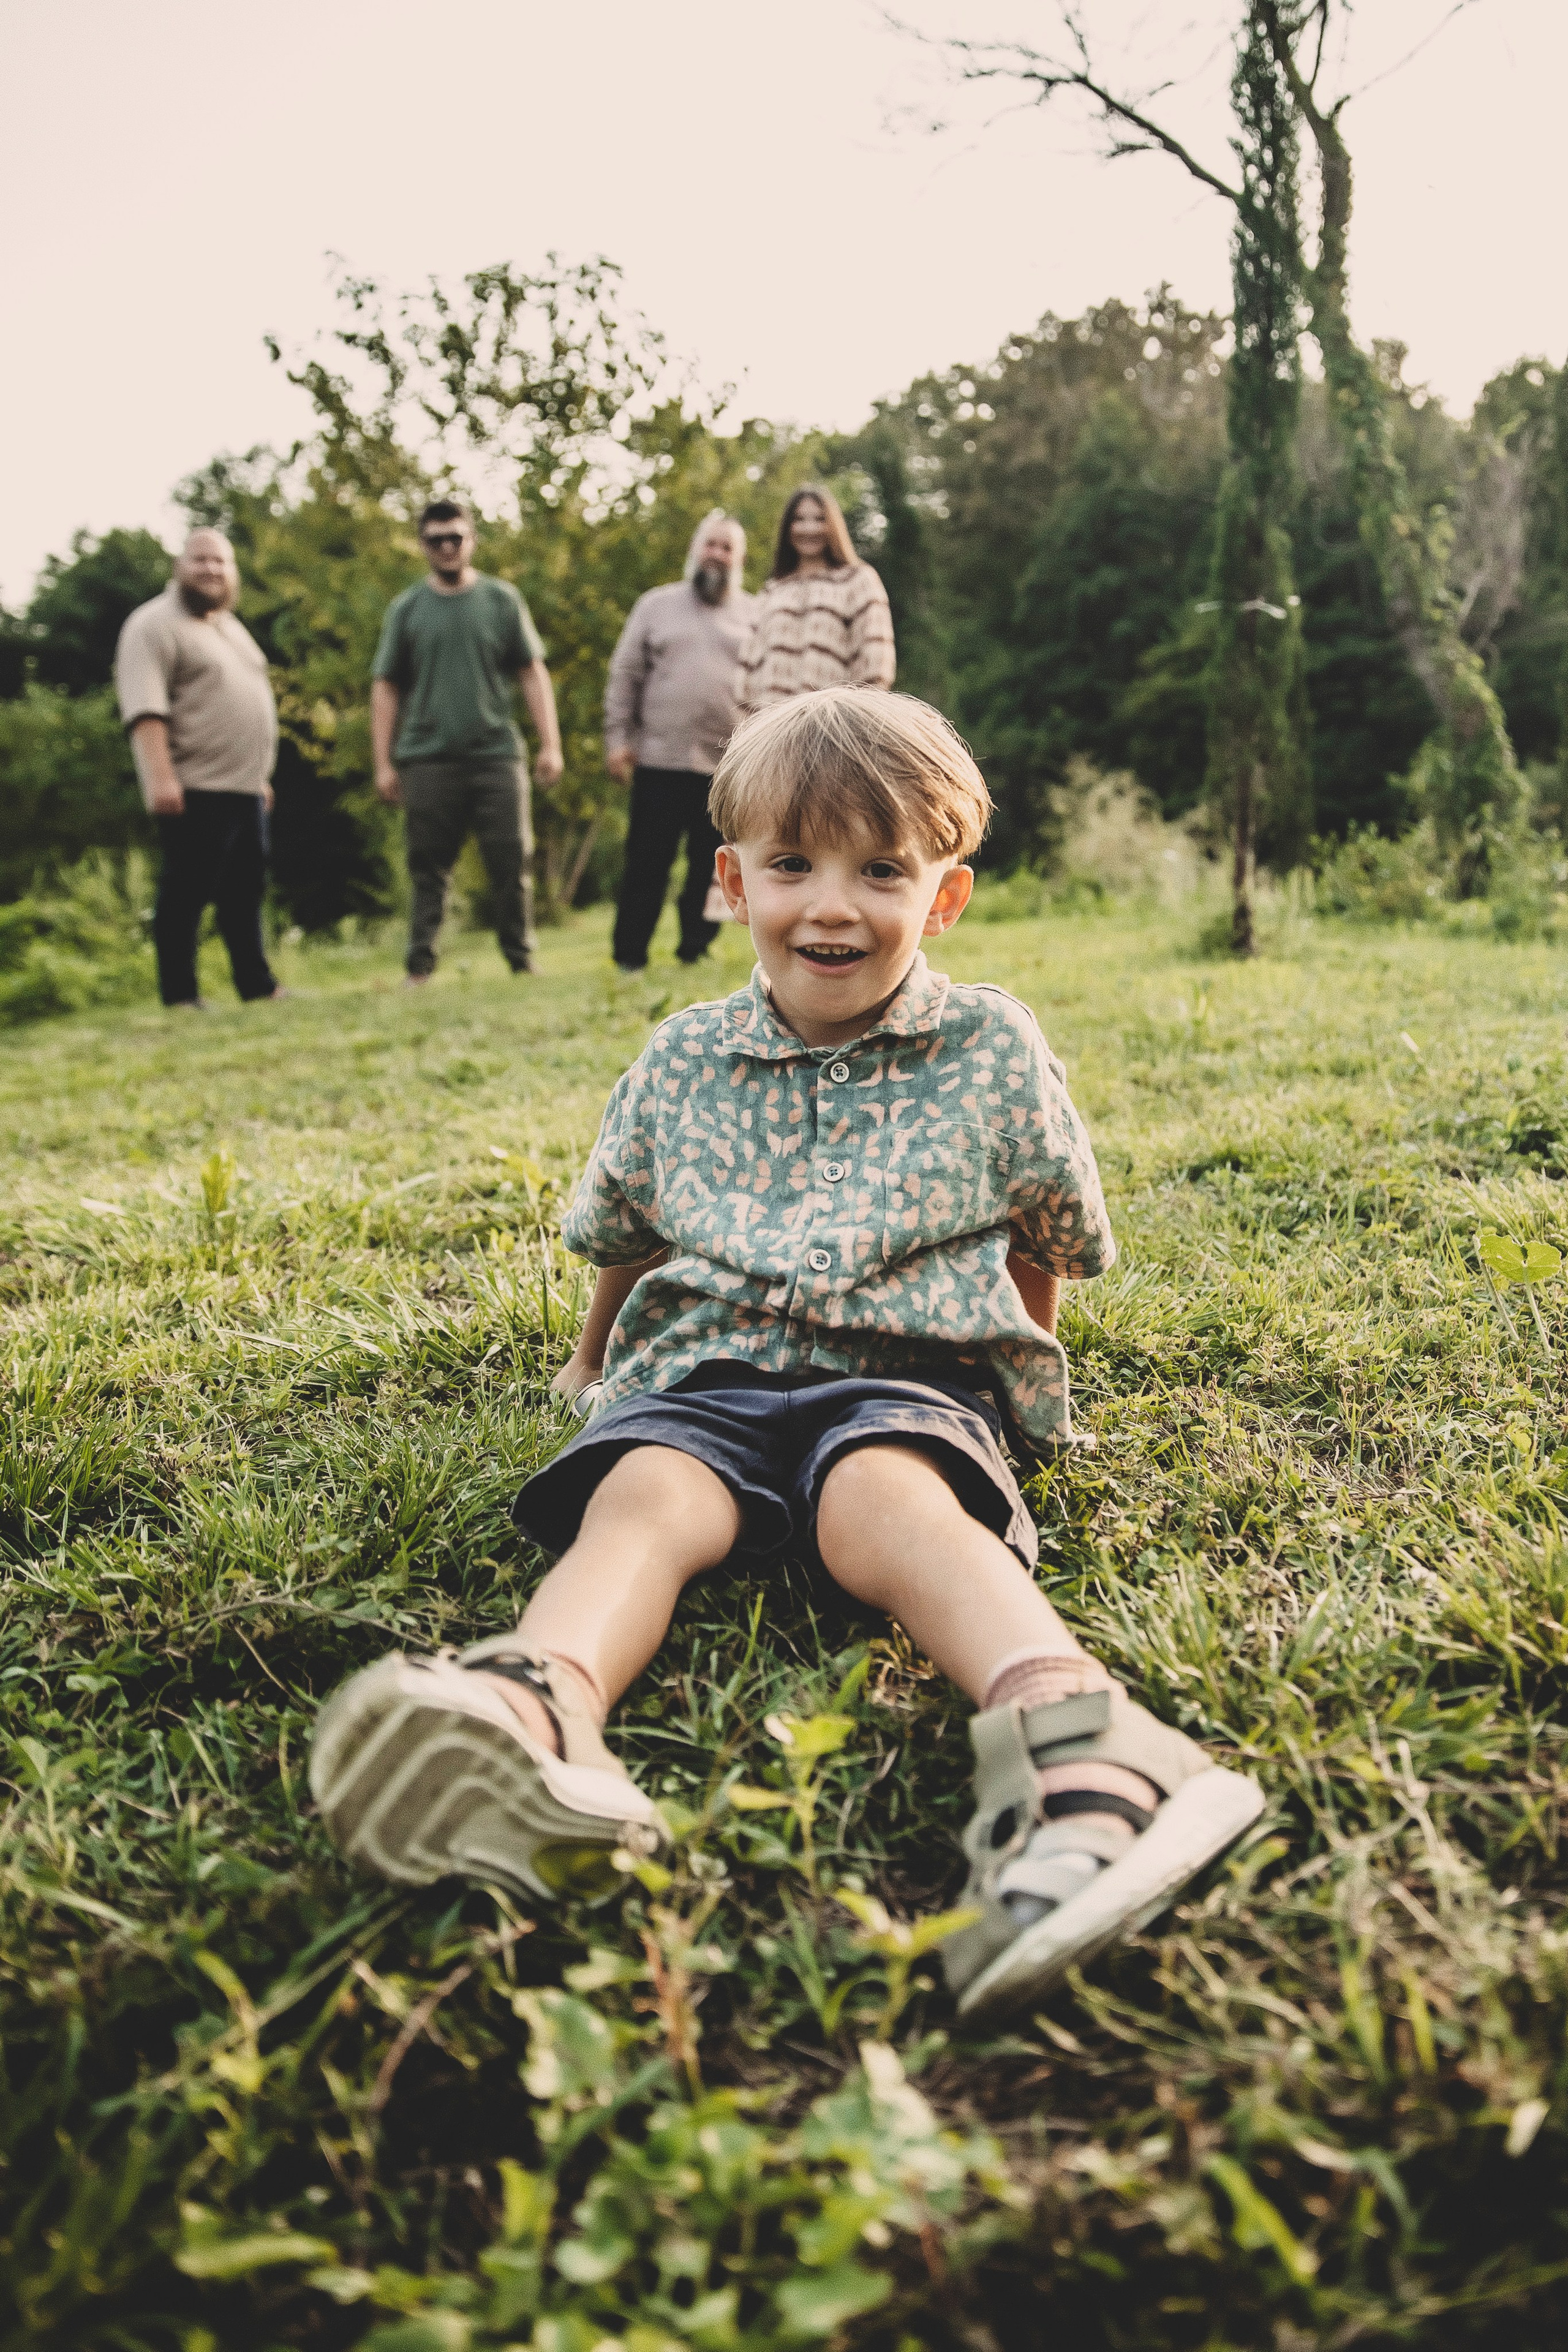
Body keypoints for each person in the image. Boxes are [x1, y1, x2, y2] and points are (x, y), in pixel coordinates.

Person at [309, 688, 1261, 2026]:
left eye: (880, 870)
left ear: (943, 898)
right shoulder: (680, 1059)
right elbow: (627, 1238)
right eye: (792, 866)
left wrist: (1030, 1372)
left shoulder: (989, 1047)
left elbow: (1045, 1230)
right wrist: (592, 1372)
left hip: (905, 1373)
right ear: (729, 881)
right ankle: (535, 1709)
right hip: (709, 1369)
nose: (830, 906)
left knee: (884, 1497)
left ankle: (1084, 1740)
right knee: (642, 1495)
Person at [371, 499, 564, 981]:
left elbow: (532, 673)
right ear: (423, 546)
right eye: (436, 540)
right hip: (427, 757)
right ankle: (420, 967)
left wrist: (551, 744)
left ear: (471, 540)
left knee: (511, 860)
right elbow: (385, 687)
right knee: (428, 868)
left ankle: (521, 960)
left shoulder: (502, 601)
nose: (447, 547)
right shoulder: (407, 609)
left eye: (456, 537)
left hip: (496, 753)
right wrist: (383, 763)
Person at [115, 529, 284, 1008]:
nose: (212, 570)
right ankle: (181, 996)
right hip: (193, 784)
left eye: (222, 562)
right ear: (179, 565)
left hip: (244, 785)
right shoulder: (152, 625)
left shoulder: (229, 626)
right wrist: (161, 777)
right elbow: (146, 708)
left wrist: (259, 777)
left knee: (246, 889)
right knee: (187, 891)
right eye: (201, 560)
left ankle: (257, 985)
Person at [603, 511, 753, 971]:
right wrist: (616, 738)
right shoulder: (656, 606)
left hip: (727, 765)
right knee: (648, 862)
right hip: (659, 758)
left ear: (739, 558)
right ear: (695, 550)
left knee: (711, 867)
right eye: (710, 544)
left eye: (727, 547)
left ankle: (695, 948)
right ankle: (630, 955)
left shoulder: (757, 613)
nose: (717, 554)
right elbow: (625, 674)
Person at [737, 484, 895, 715]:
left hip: (833, 728)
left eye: (820, 519)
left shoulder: (858, 580)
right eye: (799, 519)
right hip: (772, 731)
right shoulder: (773, 590)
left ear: (833, 525)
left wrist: (859, 723)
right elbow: (747, 670)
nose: (809, 529)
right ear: (787, 527)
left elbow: (876, 660)